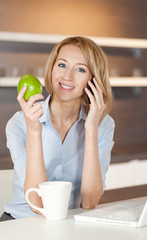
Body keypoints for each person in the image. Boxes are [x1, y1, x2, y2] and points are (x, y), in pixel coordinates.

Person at [0, 36, 115, 221]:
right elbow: (38, 204)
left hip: (69, 223)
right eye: (62, 65)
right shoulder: (20, 124)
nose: (67, 77)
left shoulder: (103, 124)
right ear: (52, 68)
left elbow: (89, 201)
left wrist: (91, 128)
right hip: (21, 222)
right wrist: (34, 131)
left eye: (80, 69)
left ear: (93, 80)